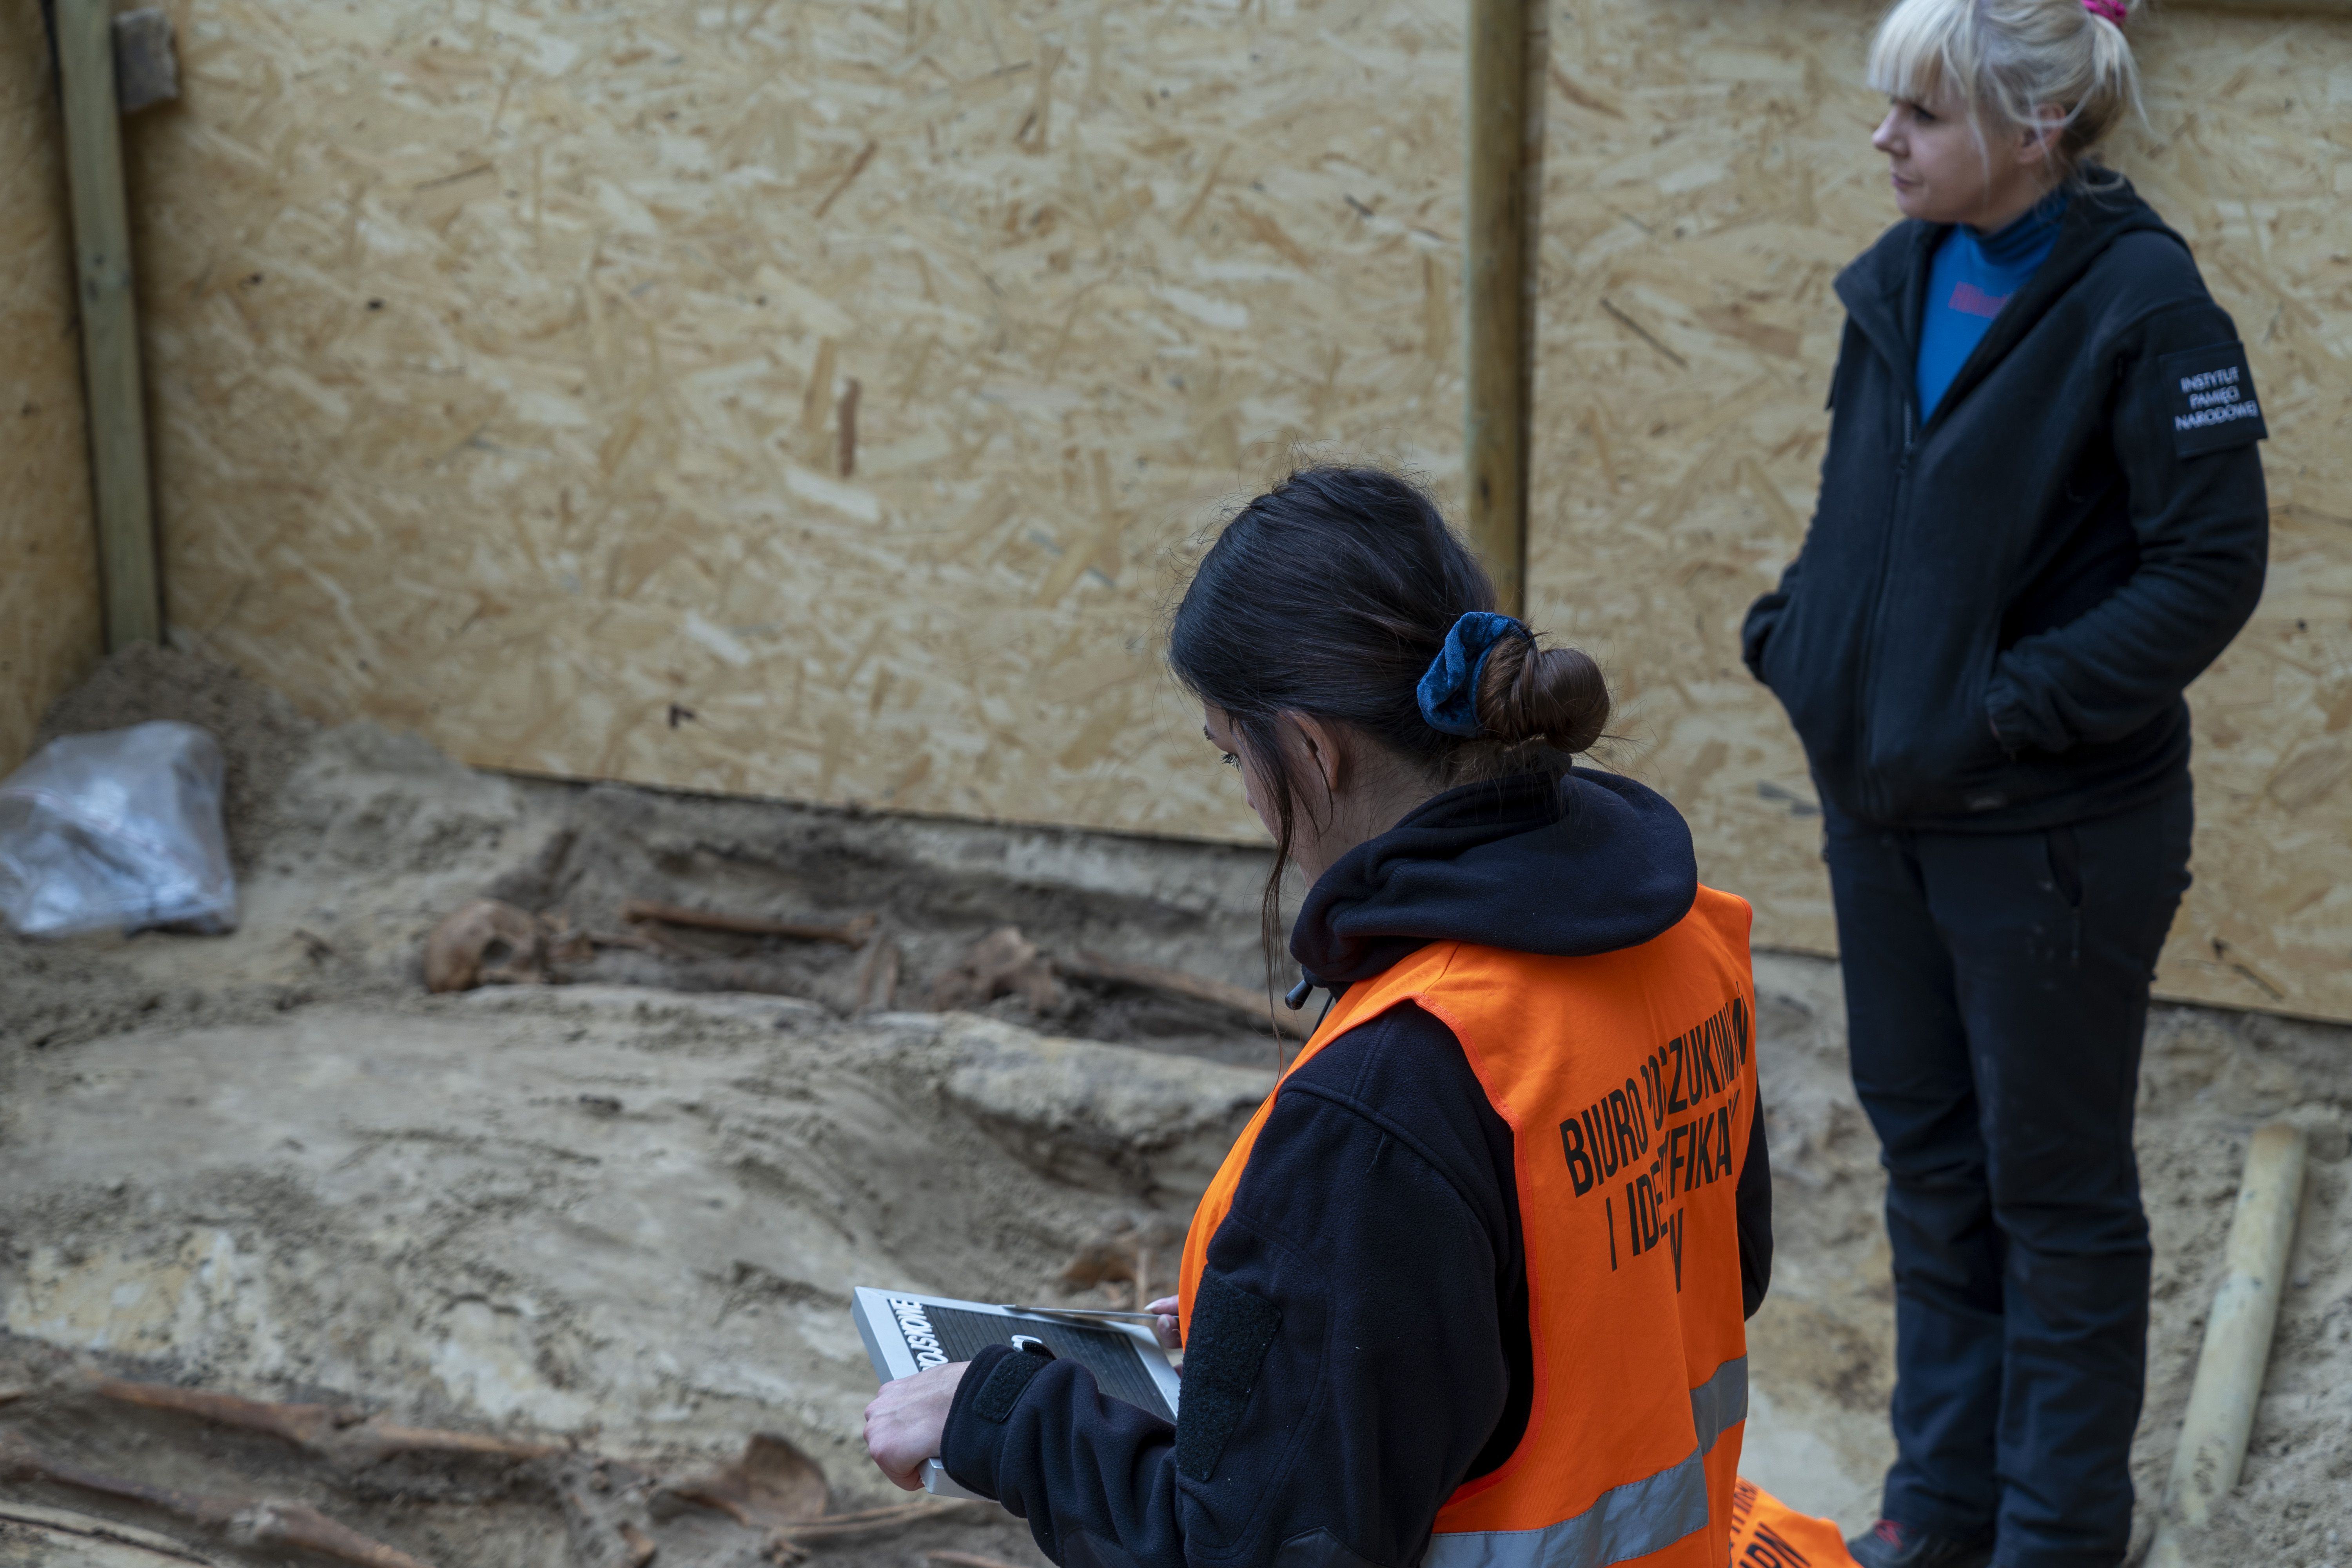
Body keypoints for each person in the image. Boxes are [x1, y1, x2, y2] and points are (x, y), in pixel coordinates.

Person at [867, 465, 1773, 1568]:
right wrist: (1308, 1329)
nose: (1251, 799)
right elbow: (1702, 1274)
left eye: (1231, 753)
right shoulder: (1689, 944)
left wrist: (1003, 1417)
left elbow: (1246, 1552)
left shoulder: (1392, 1098)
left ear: (1311, 748)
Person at [1738, 1, 2269, 1564]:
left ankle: (2057, 1535)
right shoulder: (1901, 275)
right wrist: (1802, 640)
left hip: (2050, 838)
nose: (1884, 138)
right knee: (1933, 1173)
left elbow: (2210, 571)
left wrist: (2014, 707)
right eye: (1887, 107)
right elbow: (1872, 509)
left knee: (2055, 1195)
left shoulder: (2147, 305)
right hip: (1886, 821)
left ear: (2034, 130)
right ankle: (1941, 1508)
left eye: (1921, 113)